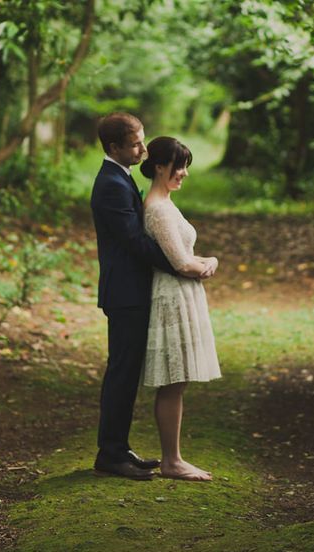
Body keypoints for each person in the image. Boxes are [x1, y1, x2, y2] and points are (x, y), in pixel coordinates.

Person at [90, 114, 213, 481]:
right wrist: (182, 264)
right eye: (135, 144)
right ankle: (109, 454)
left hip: (134, 289)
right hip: (125, 292)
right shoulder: (111, 183)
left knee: (126, 375)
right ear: (114, 148)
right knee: (122, 374)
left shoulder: (121, 177)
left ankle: (118, 447)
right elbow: (135, 242)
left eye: (143, 141)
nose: (143, 150)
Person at [141, 136, 221, 481]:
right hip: (172, 296)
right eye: (179, 165)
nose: (184, 173)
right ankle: (171, 460)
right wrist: (207, 263)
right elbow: (179, 263)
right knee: (174, 379)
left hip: (183, 293)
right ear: (159, 166)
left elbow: (185, 259)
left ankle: (173, 457)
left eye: (186, 166)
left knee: (180, 379)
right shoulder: (157, 208)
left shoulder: (166, 203)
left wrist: (205, 260)